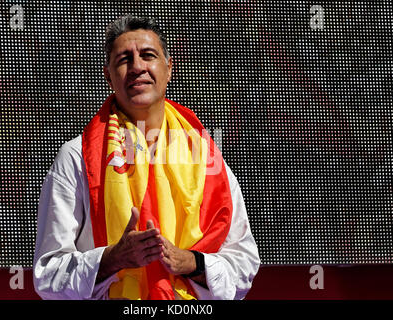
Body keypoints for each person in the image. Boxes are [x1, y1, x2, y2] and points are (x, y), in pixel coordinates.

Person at [33, 15, 260, 300]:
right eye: (124, 59)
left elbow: (245, 264)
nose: (137, 66)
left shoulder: (206, 157)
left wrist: (193, 263)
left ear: (168, 69)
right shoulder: (77, 157)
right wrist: (114, 258)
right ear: (108, 76)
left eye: (148, 56)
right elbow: (48, 274)